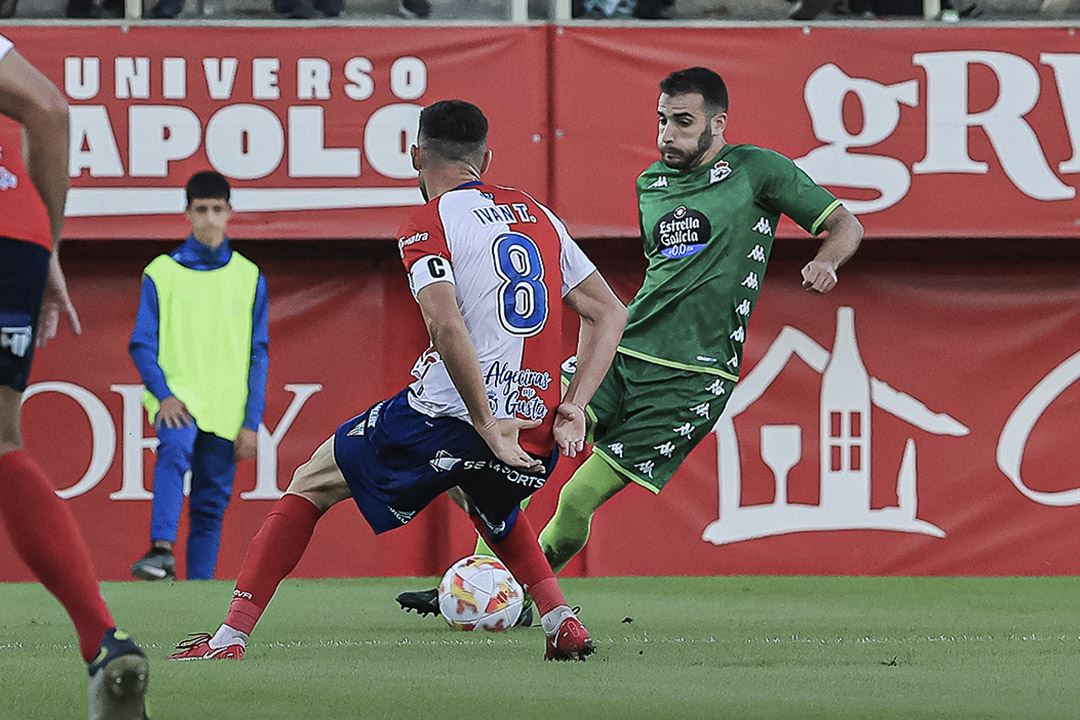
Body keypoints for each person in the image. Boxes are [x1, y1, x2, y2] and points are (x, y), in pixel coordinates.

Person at [164, 99, 625, 663]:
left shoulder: (426, 224)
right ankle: (559, 621)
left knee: (311, 482)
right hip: (534, 426)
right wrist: (575, 404)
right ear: (486, 158)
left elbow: (444, 321)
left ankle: (228, 638)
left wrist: (484, 422)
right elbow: (608, 312)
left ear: (414, 155)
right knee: (488, 500)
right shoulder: (540, 215)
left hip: (452, 416)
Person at [396, 66, 864, 616]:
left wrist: (827, 261)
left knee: (576, 499)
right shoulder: (652, 185)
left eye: (683, 122)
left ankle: (517, 597)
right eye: (663, 120)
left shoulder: (758, 169)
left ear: (718, 123)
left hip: (692, 378)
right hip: (621, 355)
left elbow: (847, 224)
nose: (668, 133)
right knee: (514, 463)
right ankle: (477, 584)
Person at [0, 34, 149, 720]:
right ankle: (102, 639)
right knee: (3, 445)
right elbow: (52, 112)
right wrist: (50, 244)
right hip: (16, 231)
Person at [129, 170, 269, 582]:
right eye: (201, 209)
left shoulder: (249, 276)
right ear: (187, 213)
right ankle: (161, 550)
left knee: (211, 505)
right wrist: (163, 394)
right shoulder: (161, 272)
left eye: (217, 209)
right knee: (173, 452)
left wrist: (251, 421)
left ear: (230, 212)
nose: (210, 218)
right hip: (179, 398)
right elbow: (142, 343)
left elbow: (258, 354)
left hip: (226, 407)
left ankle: (199, 593)